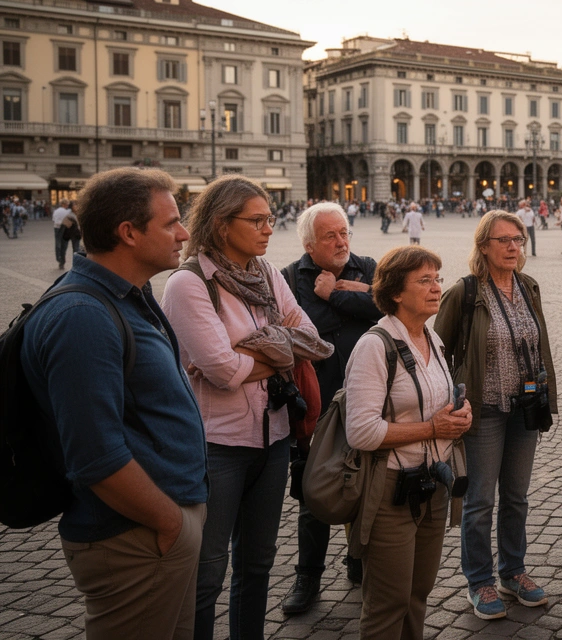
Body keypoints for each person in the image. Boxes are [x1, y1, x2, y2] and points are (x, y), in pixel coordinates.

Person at [20, 168, 208, 640]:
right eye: (171, 223)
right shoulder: (82, 316)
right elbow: (95, 457)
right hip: (132, 537)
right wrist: (170, 523)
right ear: (128, 233)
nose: (184, 233)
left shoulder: (128, 295)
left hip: (155, 529)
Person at [162, 175, 333, 640]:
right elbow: (222, 370)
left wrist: (250, 350)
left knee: (257, 563)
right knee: (207, 571)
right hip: (217, 446)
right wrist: (277, 348)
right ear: (221, 224)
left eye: (269, 218)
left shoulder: (267, 274)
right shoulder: (189, 284)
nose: (269, 229)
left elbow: (311, 340)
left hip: (274, 438)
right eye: (257, 220)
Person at [433, 211, 559, 620]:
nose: (512, 247)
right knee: (481, 500)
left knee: (517, 497)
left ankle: (513, 571)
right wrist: (452, 402)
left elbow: (539, 345)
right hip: (484, 410)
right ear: (484, 245)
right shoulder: (466, 292)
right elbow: (438, 351)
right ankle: (479, 580)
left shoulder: (528, 286)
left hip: (525, 409)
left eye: (517, 239)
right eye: (503, 240)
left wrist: (546, 395)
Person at [344, 246, 473, 640]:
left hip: (432, 485)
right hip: (390, 490)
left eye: (437, 278)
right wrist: (432, 429)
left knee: (418, 595)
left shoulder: (432, 338)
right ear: (396, 293)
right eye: (424, 280)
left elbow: (436, 400)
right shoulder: (374, 345)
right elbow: (361, 431)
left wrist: (460, 412)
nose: (437, 287)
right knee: (388, 603)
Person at [280, 202, 382, 614]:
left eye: (344, 233)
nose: (341, 242)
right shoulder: (289, 279)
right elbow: (298, 333)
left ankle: (359, 561)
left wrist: (336, 293)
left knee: (369, 487)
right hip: (318, 406)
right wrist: (355, 296)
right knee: (314, 493)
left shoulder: (369, 267)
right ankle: (308, 576)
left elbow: (388, 307)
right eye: (330, 236)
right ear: (309, 245)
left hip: (370, 401)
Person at [53, 199, 72, 269]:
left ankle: (59, 258)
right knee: (64, 244)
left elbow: (54, 219)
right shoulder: (67, 212)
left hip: (57, 227)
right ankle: (62, 261)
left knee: (58, 243)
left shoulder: (56, 211)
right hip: (65, 228)